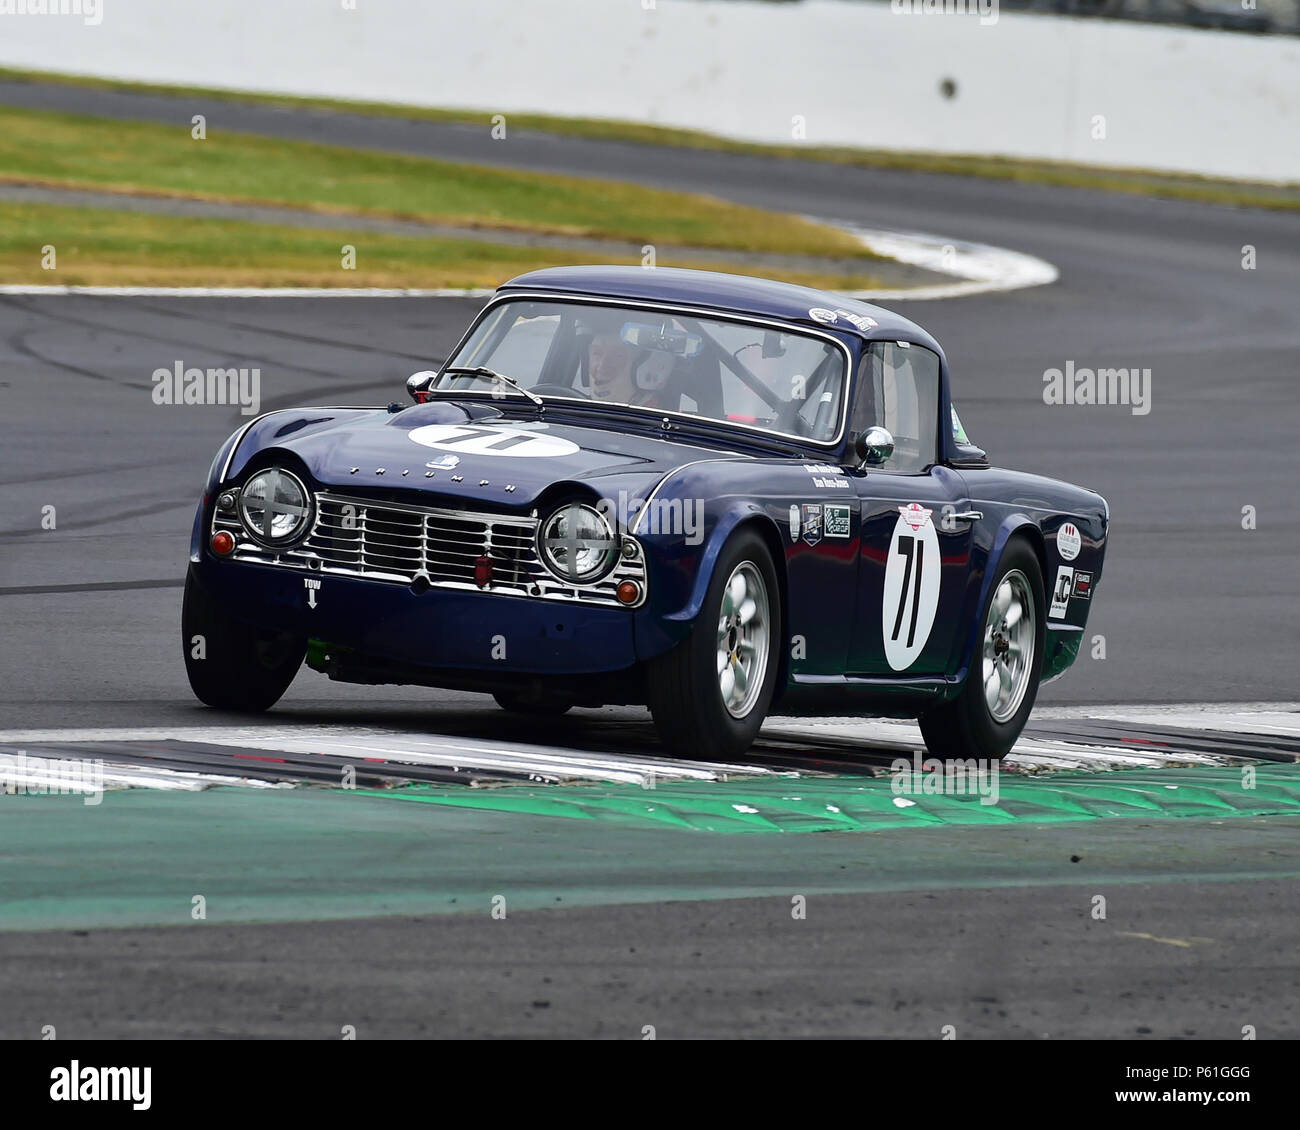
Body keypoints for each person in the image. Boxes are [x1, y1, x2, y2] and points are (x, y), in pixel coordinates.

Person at [587, 327, 673, 409]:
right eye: (596, 354)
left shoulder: (651, 413)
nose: (602, 364)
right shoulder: (580, 406)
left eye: (617, 356)